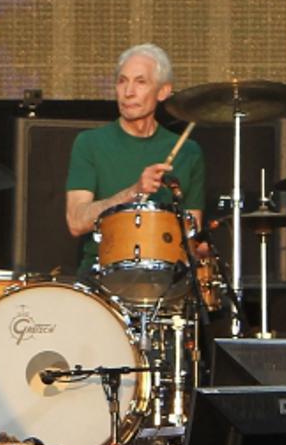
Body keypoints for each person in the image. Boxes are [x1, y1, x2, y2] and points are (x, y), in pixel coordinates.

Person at [65, 43, 205, 274]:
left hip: (167, 282)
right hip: (101, 277)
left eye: (140, 82)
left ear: (163, 91)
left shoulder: (188, 151)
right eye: (122, 81)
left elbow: (193, 234)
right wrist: (134, 192)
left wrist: (202, 247)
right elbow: (76, 222)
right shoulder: (89, 143)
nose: (128, 92)